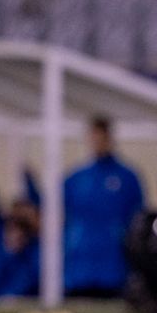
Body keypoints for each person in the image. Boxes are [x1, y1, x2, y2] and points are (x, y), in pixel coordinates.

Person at [63, 116, 145, 297]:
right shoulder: (77, 178)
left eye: (102, 137)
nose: (98, 142)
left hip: (113, 265)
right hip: (80, 266)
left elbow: (138, 218)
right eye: (94, 137)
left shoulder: (127, 177)